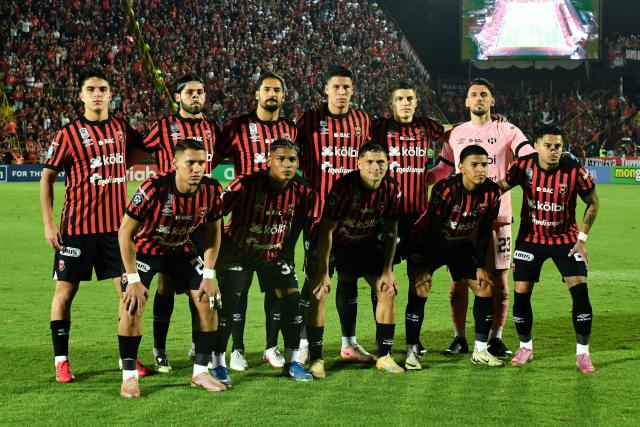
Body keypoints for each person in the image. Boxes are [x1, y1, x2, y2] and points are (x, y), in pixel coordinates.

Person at [40, 67, 148, 383]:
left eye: (102, 89)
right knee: (65, 292)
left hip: (117, 230)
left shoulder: (120, 127)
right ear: (81, 95)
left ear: (110, 94)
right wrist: (49, 224)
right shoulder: (68, 134)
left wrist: (120, 165)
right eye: (91, 89)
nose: (97, 94)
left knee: (129, 293)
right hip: (76, 229)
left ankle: (127, 356)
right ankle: (61, 360)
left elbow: (142, 149)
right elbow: (47, 177)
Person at [429, 77, 535, 357]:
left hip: (499, 216)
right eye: (473, 94)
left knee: (499, 279)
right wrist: (419, 179)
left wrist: (505, 184)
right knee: (459, 280)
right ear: (466, 101)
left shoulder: (507, 129)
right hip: (462, 219)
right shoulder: (456, 134)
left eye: (483, 94)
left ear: (492, 101)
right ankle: (459, 337)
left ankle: (496, 338)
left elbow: (529, 157)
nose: (478, 98)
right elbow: (443, 169)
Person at [117, 138, 226, 398]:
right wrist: (133, 278)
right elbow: (124, 233)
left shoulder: (211, 190)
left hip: (181, 248)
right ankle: (129, 377)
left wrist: (209, 274)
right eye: (190, 163)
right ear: (175, 163)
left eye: (202, 162)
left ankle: (200, 372)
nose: (197, 168)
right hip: (147, 249)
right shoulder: (153, 188)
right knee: (131, 305)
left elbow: (214, 233)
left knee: (208, 300)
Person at [211, 138, 317, 384]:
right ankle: (217, 364)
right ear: (269, 161)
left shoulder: (302, 189)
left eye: (292, 160)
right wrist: (217, 255)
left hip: (273, 253)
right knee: (229, 306)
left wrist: (292, 249)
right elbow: (215, 213)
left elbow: (309, 220)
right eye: (281, 159)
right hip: (238, 252)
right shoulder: (246, 184)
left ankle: (292, 362)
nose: (287, 164)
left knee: (292, 303)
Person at [212, 71, 297, 372]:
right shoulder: (237, 127)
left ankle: (271, 347)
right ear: (257, 95)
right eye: (266, 89)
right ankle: (237, 349)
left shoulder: (291, 128)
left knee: (274, 286)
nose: (272, 94)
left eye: (277, 89)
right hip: (245, 217)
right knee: (239, 288)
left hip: (278, 221)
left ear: (283, 96)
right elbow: (213, 159)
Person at [497, 125, 599, 374]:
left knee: (580, 292)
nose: (553, 151)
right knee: (521, 293)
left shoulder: (575, 170)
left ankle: (583, 354)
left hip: (566, 240)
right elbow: (500, 187)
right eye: (548, 146)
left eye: (558, 147)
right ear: (537, 146)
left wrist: (582, 238)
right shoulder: (523, 166)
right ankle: (525, 347)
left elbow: (593, 203)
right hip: (530, 239)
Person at [143, 74, 221, 373]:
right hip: (165, 218)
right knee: (165, 284)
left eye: (200, 91)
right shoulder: (163, 127)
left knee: (201, 284)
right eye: (190, 92)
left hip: (200, 217)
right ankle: (159, 349)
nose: (196, 96)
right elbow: (138, 150)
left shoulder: (211, 128)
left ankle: (197, 345)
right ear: (178, 96)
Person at [296, 66, 373, 363]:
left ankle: (349, 343)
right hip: (318, 216)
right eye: (336, 87)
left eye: (347, 87)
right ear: (325, 89)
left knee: (349, 279)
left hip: (354, 218)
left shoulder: (363, 121)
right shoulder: (309, 120)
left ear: (353, 90)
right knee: (316, 279)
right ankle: (304, 342)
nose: (342, 92)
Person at [307, 142, 403, 378]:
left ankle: (384, 356)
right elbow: (327, 230)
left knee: (387, 289)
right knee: (320, 292)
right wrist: (324, 271)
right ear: (359, 163)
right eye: (369, 162)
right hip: (331, 244)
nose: (375, 167)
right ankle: (316, 358)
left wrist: (387, 270)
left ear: (387, 164)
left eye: (380, 162)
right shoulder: (343, 188)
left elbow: (391, 230)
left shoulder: (392, 189)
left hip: (363, 241)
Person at [372, 79, 449, 370]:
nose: (405, 103)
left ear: (416, 102)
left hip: (419, 219)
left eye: (410, 98)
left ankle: (413, 344)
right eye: (400, 99)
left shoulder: (427, 127)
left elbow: (453, 130)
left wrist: (489, 121)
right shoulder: (379, 127)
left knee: (421, 282)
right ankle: (383, 344)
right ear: (392, 104)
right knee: (382, 282)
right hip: (387, 217)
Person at [410, 144, 504, 367]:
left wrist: (480, 265)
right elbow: (432, 228)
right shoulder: (446, 189)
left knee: (485, 286)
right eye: (475, 165)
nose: (481, 169)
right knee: (421, 287)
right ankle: (411, 349)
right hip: (428, 244)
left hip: (459, 245)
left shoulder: (492, 192)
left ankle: (480, 351)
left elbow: (483, 230)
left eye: (484, 164)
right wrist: (425, 265)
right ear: (461, 167)